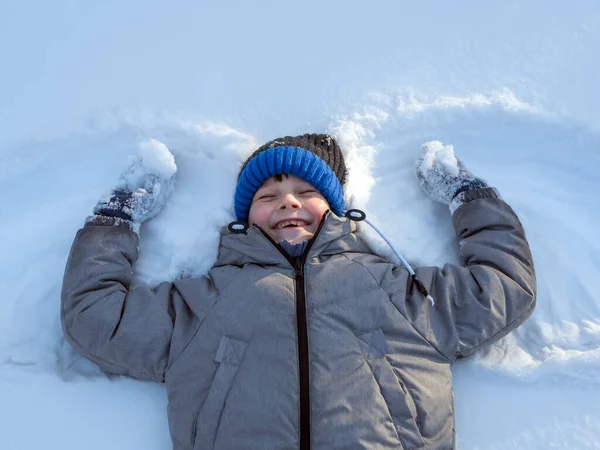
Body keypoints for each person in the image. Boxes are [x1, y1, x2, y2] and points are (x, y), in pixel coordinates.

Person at [61, 133, 536, 449]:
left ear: (337, 209)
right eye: (267, 197)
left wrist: (470, 199)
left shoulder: (393, 289)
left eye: (307, 192)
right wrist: (116, 221)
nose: (288, 201)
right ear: (245, 218)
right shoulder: (205, 302)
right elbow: (97, 317)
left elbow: (501, 288)